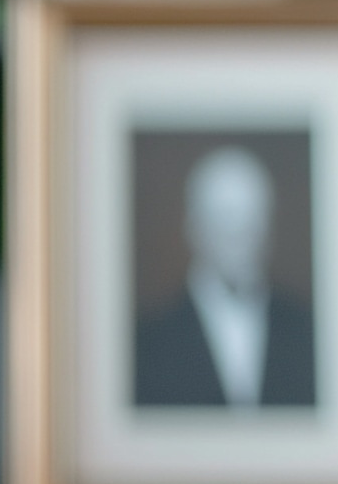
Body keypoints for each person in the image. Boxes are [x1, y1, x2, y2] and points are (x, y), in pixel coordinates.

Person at [133, 146, 316, 408]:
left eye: (252, 218)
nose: (240, 234)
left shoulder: (305, 332)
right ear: (194, 227)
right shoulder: (149, 345)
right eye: (227, 217)